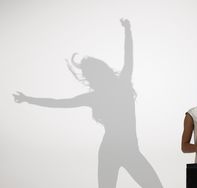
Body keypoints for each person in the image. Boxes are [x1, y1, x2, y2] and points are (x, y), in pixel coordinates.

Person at [13, 19, 163, 188]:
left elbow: (129, 57)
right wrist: (28, 99)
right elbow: (59, 103)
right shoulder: (105, 92)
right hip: (114, 151)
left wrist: (128, 31)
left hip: (123, 150)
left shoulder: (115, 88)